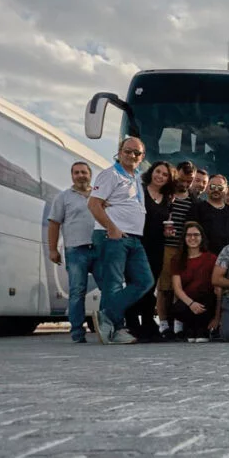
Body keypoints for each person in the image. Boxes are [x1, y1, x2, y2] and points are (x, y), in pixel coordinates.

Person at [87, 138, 156, 345]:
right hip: (113, 236)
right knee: (113, 284)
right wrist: (112, 228)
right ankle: (115, 330)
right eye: (128, 151)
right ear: (119, 152)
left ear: (142, 157)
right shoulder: (110, 174)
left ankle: (107, 315)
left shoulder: (137, 178)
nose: (132, 155)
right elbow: (94, 204)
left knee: (145, 281)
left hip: (133, 237)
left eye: (137, 153)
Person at [47, 160, 97, 343]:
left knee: (109, 288)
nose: (80, 175)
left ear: (90, 175)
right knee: (77, 291)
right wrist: (53, 249)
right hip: (76, 250)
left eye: (84, 172)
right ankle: (77, 332)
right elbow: (54, 223)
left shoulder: (99, 195)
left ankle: (110, 326)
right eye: (76, 172)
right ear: (72, 176)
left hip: (100, 249)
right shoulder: (63, 197)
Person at [126, 160, 172, 342]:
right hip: (138, 244)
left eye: (165, 174)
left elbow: (166, 221)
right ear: (151, 172)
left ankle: (147, 323)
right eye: (158, 172)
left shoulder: (167, 198)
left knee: (151, 285)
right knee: (136, 283)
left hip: (157, 246)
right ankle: (132, 324)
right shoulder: (139, 191)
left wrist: (168, 231)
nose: (160, 176)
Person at [157, 160, 197, 340]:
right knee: (165, 287)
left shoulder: (193, 199)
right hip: (166, 247)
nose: (185, 184)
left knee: (182, 287)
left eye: (189, 181)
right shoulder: (165, 194)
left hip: (184, 249)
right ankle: (164, 325)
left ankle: (178, 326)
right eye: (182, 180)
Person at [169, 221, 217, 342]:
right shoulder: (177, 259)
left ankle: (202, 330)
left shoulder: (211, 258)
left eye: (196, 235)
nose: (192, 238)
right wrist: (191, 304)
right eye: (189, 235)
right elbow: (177, 288)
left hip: (206, 300)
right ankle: (190, 328)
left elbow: (217, 286)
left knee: (205, 303)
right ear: (184, 238)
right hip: (188, 300)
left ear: (202, 237)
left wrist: (217, 316)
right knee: (176, 308)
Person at [193, 174, 229, 255]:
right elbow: (191, 235)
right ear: (207, 188)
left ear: (226, 190)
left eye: (220, 187)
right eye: (213, 186)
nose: (216, 190)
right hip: (203, 256)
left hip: (228, 258)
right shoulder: (197, 208)